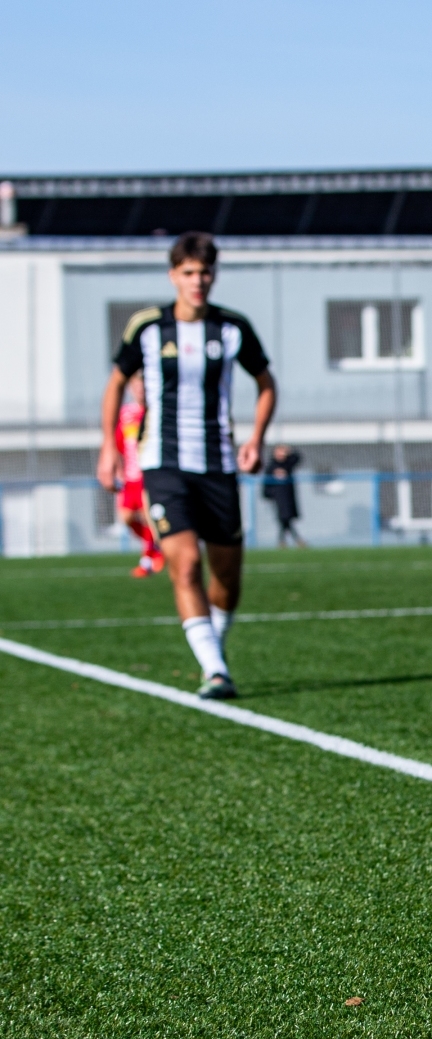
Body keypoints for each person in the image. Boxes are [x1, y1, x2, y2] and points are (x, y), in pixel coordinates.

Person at [96, 232, 277, 700]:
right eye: (189, 273)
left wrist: (256, 439)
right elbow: (115, 384)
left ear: (214, 276)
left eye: (205, 273)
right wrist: (109, 447)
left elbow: (266, 383)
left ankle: (214, 647)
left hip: (218, 464)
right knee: (186, 562)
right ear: (173, 275)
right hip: (164, 463)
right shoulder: (148, 327)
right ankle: (215, 669)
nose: (198, 281)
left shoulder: (233, 328)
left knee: (227, 575)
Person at [110, 375, 163, 577]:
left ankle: (147, 561)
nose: (140, 389)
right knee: (126, 517)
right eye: (136, 385)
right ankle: (158, 546)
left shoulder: (155, 412)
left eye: (143, 385)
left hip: (148, 475)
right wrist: (118, 468)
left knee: (149, 518)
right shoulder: (126, 413)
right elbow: (118, 443)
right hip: (130, 477)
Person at [262, 444, 306, 548]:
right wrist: (268, 495)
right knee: (284, 518)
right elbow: (266, 483)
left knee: (286, 519)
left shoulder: (287, 464)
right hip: (278, 497)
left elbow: (297, 458)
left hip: (288, 496)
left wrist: (290, 451)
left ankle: (283, 541)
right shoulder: (271, 466)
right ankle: (295, 540)